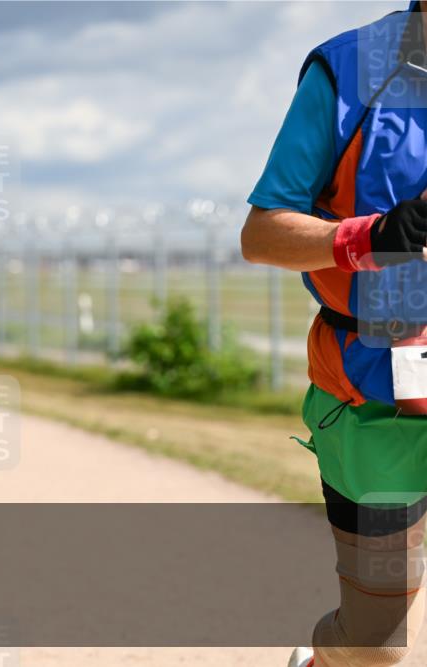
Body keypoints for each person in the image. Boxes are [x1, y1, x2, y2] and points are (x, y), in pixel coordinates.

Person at [241, 3, 426, 666]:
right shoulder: (350, 72)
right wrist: (372, 237)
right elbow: (262, 235)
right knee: (375, 646)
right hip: (375, 392)